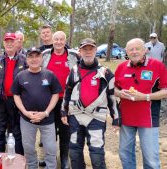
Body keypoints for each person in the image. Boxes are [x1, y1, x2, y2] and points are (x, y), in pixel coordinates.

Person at [61, 38, 120, 169]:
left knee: (96, 154)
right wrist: (64, 111)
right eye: (85, 49)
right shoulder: (74, 71)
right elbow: (67, 92)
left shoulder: (106, 72)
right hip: (76, 116)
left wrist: (116, 118)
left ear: (95, 50)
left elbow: (111, 97)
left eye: (91, 49)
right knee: (74, 152)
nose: (88, 52)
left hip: (96, 118)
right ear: (80, 52)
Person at [115, 38, 167, 169]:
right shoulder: (121, 67)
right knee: (125, 154)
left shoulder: (157, 66)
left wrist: (145, 97)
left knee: (151, 159)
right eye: (131, 49)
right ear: (126, 51)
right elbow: (113, 89)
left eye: (137, 48)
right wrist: (120, 93)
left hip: (148, 119)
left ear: (144, 50)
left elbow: (165, 91)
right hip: (126, 118)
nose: (134, 52)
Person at [11, 47, 62, 169]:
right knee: (28, 147)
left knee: (50, 148)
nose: (34, 59)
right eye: (31, 57)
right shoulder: (20, 76)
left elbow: (56, 94)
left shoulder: (49, 75)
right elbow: (16, 95)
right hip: (27, 119)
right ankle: (32, 166)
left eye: (37, 56)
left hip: (47, 119)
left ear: (41, 58)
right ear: (27, 59)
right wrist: (25, 112)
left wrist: (46, 112)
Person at [42, 31, 79, 169]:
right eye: (56, 39)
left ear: (65, 40)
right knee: (49, 132)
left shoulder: (74, 56)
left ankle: (64, 159)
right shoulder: (46, 55)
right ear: (52, 40)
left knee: (65, 131)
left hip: (66, 101)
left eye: (61, 39)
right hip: (48, 100)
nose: (58, 42)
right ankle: (49, 159)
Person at [0, 32, 26, 155]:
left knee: (16, 130)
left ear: (17, 43)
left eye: (12, 41)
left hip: (17, 101)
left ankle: (17, 157)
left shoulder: (24, 61)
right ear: (4, 43)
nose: (9, 44)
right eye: (7, 41)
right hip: (0, 100)